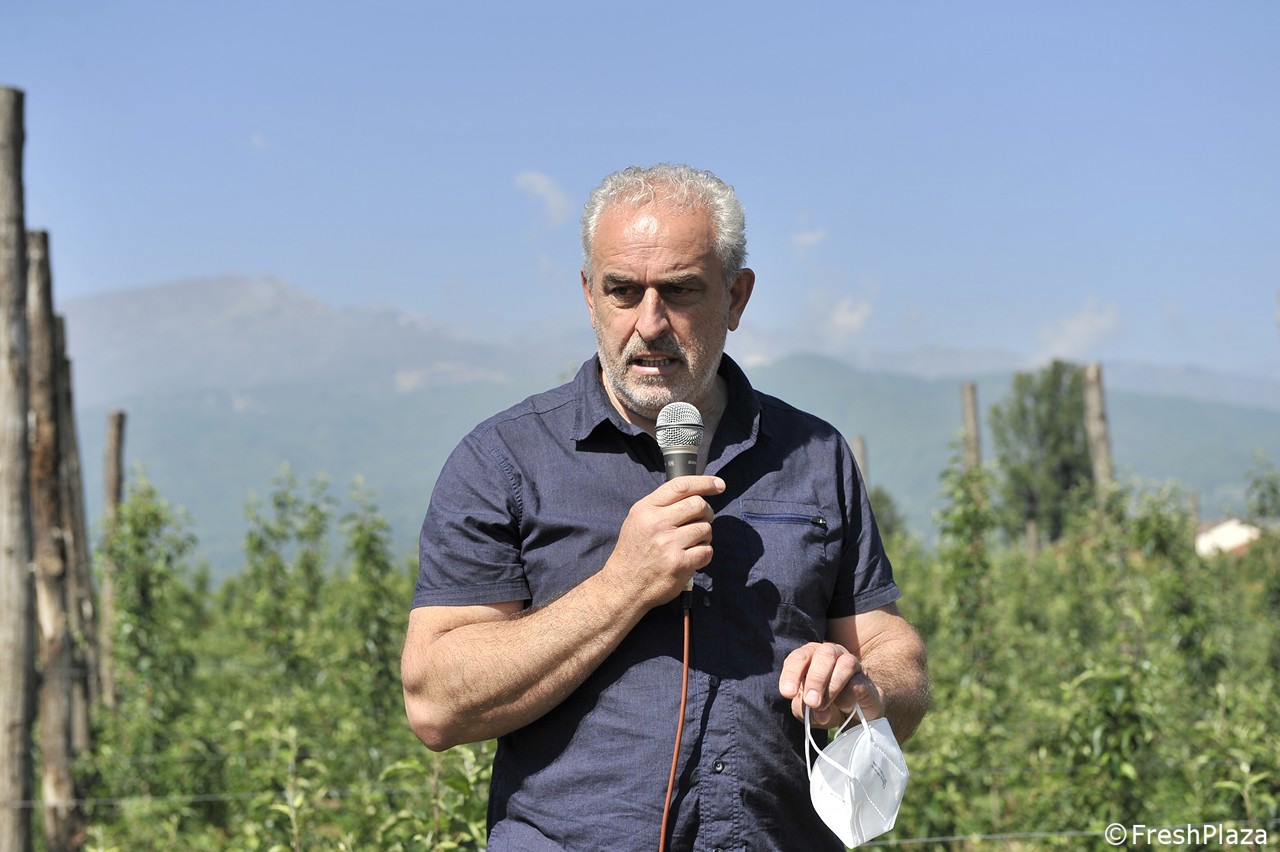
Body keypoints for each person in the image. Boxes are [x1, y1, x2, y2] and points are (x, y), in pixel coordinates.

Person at [401, 163, 929, 851]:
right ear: (589, 295)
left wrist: (865, 687)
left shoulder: (813, 455)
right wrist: (622, 586)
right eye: (623, 290)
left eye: (679, 291)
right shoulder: (505, 461)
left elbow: (895, 655)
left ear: (736, 297)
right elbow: (436, 703)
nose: (649, 324)